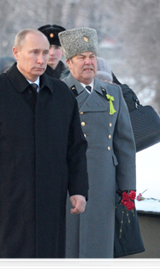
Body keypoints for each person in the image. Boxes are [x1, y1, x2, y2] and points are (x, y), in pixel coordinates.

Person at [0, 29, 89, 269]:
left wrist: (78, 189)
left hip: (49, 201)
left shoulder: (61, 93)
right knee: (6, 259)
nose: (41, 59)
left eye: (45, 53)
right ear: (16, 53)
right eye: (34, 52)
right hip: (5, 202)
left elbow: (75, 147)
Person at [59, 27, 136, 269]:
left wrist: (127, 189)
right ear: (68, 62)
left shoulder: (112, 92)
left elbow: (124, 144)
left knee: (98, 254)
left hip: (104, 185)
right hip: (66, 187)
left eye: (92, 56)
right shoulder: (56, 92)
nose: (88, 62)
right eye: (81, 57)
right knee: (68, 253)